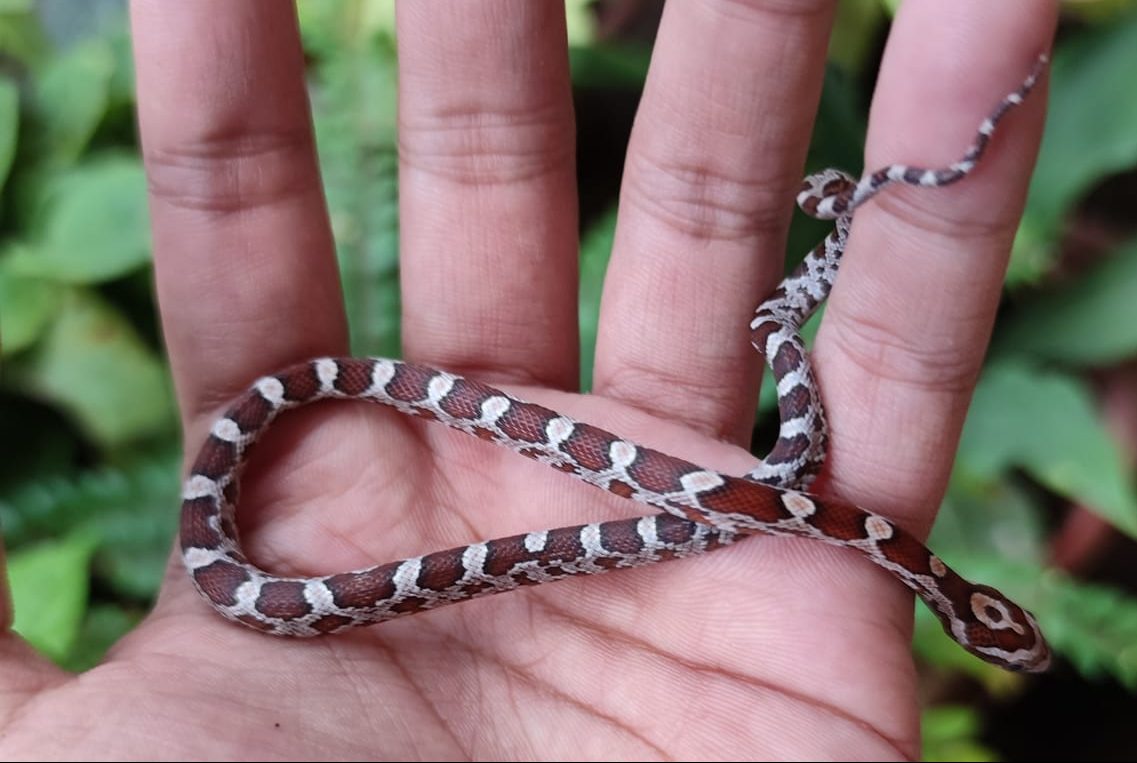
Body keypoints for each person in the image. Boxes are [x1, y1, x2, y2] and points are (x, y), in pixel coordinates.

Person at [0, 0, 1055, 758]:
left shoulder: (850, 534)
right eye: (1008, 645)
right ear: (964, 616)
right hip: (293, 515)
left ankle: (780, 314)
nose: (1012, 653)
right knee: (762, 459)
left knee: (759, 463)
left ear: (970, 613)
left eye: (1011, 647)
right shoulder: (864, 539)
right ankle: (781, 312)